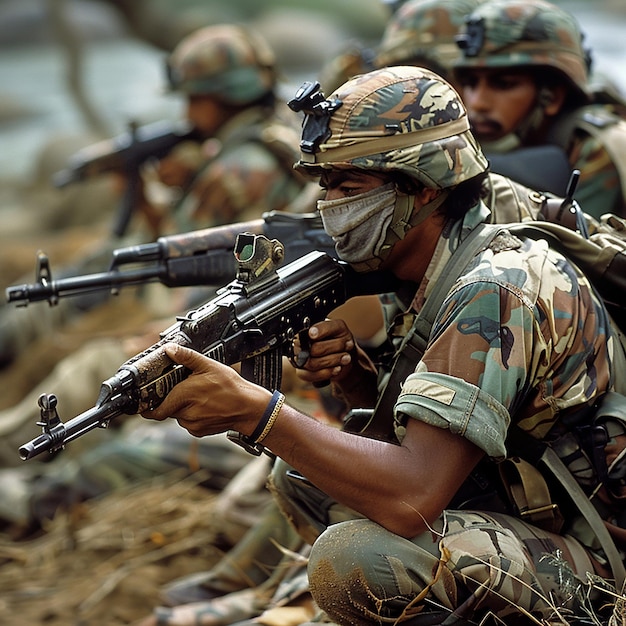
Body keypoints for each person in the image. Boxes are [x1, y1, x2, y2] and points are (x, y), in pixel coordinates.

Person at [139, 65, 625, 625]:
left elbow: (413, 494)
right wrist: (355, 376)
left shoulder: (497, 286)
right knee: (303, 478)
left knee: (356, 560)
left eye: (350, 188)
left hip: (598, 561)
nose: (330, 208)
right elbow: (421, 439)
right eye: (326, 187)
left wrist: (258, 415)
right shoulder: (425, 266)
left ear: (421, 188)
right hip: (522, 511)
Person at [453, 0, 626, 218]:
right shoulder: (481, 136)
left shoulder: (598, 147)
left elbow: (588, 246)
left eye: (504, 84)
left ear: (552, 96)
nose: (477, 102)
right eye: (470, 83)